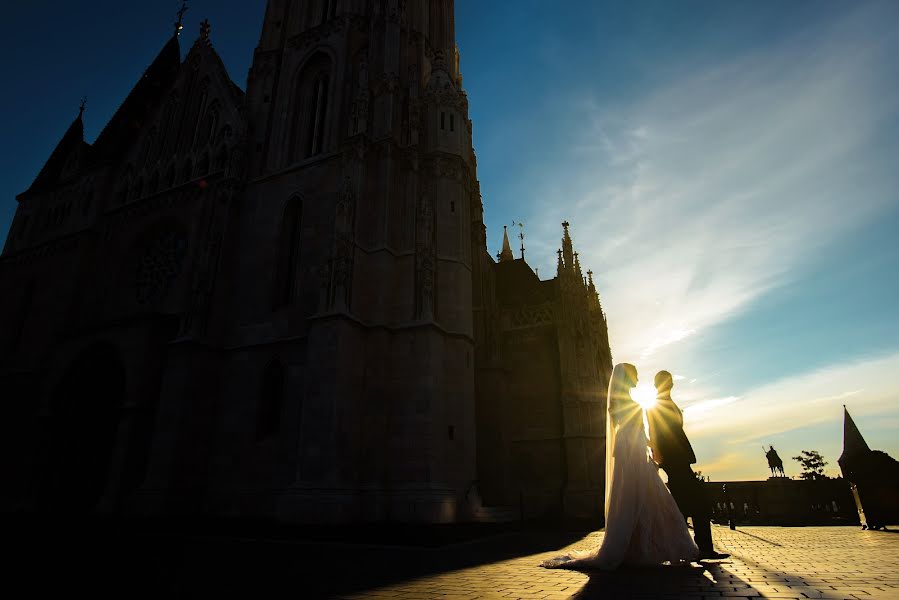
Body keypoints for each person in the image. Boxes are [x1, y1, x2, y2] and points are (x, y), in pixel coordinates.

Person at [541, 363, 699, 570]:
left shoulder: (622, 402)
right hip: (632, 455)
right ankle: (655, 547)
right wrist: (649, 447)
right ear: (626, 378)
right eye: (634, 375)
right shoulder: (620, 403)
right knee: (647, 498)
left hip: (635, 453)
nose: (637, 379)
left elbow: (633, 432)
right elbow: (628, 432)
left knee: (649, 499)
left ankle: (652, 546)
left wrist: (649, 447)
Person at [646, 370, 729, 559]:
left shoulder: (669, 403)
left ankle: (685, 548)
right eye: (667, 381)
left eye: (670, 381)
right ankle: (700, 547)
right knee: (698, 503)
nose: (670, 384)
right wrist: (657, 452)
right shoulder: (655, 406)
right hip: (673, 458)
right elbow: (653, 430)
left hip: (680, 457)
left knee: (682, 505)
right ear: (659, 385)